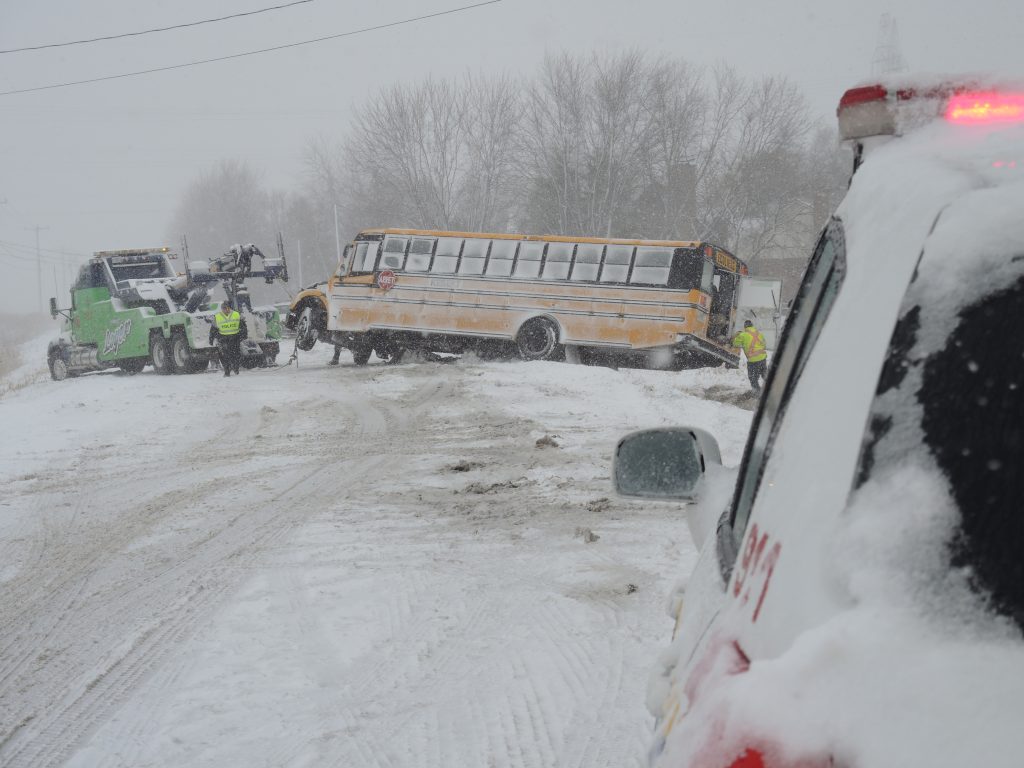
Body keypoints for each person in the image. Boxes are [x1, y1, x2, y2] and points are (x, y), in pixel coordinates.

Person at [209, 299, 248, 377]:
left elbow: (243, 326)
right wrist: (211, 338)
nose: (226, 310)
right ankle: (227, 371)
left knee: (236, 354)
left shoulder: (237, 314)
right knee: (224, 355)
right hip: (223, 338)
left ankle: (235, 367)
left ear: (230, 308)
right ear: (222, 309)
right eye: (224, 308)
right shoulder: (217, 316)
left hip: (235, 337)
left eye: (227, 308)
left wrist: (244, 335)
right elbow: (213, 329)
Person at [731, 319, 768, 392]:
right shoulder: (759, 333)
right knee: (764, 375)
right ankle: (772, 388)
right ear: (752, 326)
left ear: (745, 327)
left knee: (753, 379)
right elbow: (764, 345)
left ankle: (757, 393)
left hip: (753, 361)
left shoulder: (743, 335)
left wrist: (737, 336)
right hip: (762, 358)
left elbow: (735, 344)